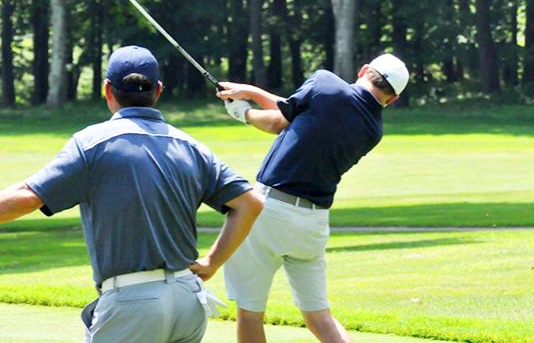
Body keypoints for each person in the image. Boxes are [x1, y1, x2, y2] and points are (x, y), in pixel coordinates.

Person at [0, 45, 263, 343]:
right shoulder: (191, 146)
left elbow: (28, 196)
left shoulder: (91, 143)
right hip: (188, 300)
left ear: (107, 91)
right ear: (158, 90)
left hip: (132, 303)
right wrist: (212, 263)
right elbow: (250, 203)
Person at [216, 53, 409, 343]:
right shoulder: (373, 130)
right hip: (312, 224)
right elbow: (303, 111)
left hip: (268, 211)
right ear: (391, 99)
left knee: (250, 312)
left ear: (364, 70)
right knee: (320, 317)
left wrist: (243, 113)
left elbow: (278, 122)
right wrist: (251, 93)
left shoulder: (325, 82)